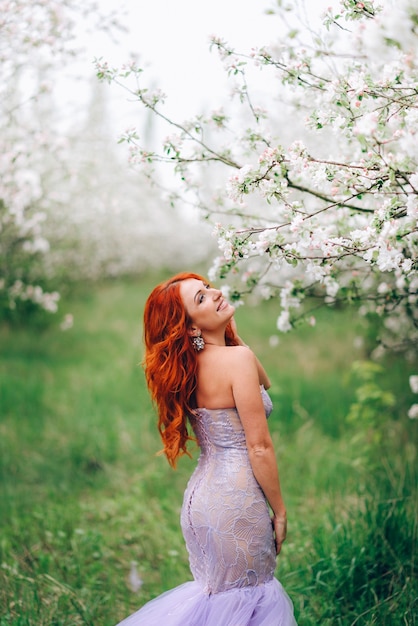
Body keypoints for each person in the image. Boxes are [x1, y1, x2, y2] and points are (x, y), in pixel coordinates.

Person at [116, 272, 297, 626]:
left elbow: (265, 382)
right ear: (190, 327)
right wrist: (280, 511)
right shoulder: (236, 361)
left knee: (219, 601)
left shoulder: (188, 367)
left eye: (208, 288)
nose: (215, 294)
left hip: (202, 504)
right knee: (248, 600)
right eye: (200, 299)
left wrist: (225, 332)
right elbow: (259, 446)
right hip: (237, 501)